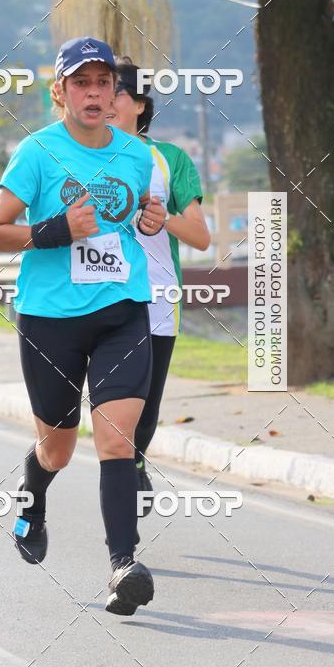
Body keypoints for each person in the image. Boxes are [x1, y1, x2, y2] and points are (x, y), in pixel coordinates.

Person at [0, 37, 167, 615]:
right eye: (80, 83)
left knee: (116, 438)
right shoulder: (36, 152)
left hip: (122, 311)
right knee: (57, 450)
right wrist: (57, 230)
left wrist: (150, 217)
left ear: (115, 94)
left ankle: (123, 566)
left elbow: (136, 213)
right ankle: (32, 495)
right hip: (50, 320)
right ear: (60, 92)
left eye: (102, 82)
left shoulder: (137, 155)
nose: (93, 92)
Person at [107, 57, 211, 511]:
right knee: (109, 408)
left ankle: (133, 465)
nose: (105, 100)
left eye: (117, 92)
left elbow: (201, 237)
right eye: (99, 89)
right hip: (93, 298)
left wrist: (162, 217)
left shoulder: (170, 160)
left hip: (156, 299)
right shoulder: (76, 154)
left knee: (144, 410)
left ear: (140, 105)